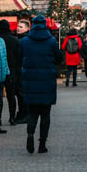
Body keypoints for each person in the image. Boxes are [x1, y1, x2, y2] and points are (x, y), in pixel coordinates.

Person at [20, 15, 63, 154]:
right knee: (45, 115)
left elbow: (20, 58)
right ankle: (42, 144)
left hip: (30, 81)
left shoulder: (25, 41)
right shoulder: (51, 41)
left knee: (32, 113)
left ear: (32, 25)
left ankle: (30, 135)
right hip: (47, 81)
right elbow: (59, 58)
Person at [0, 20, 25, 125]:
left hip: (0, 70)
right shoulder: (15, 41)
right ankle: (12, 117)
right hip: (14, 70)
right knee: (12, 95)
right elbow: (20, 57)